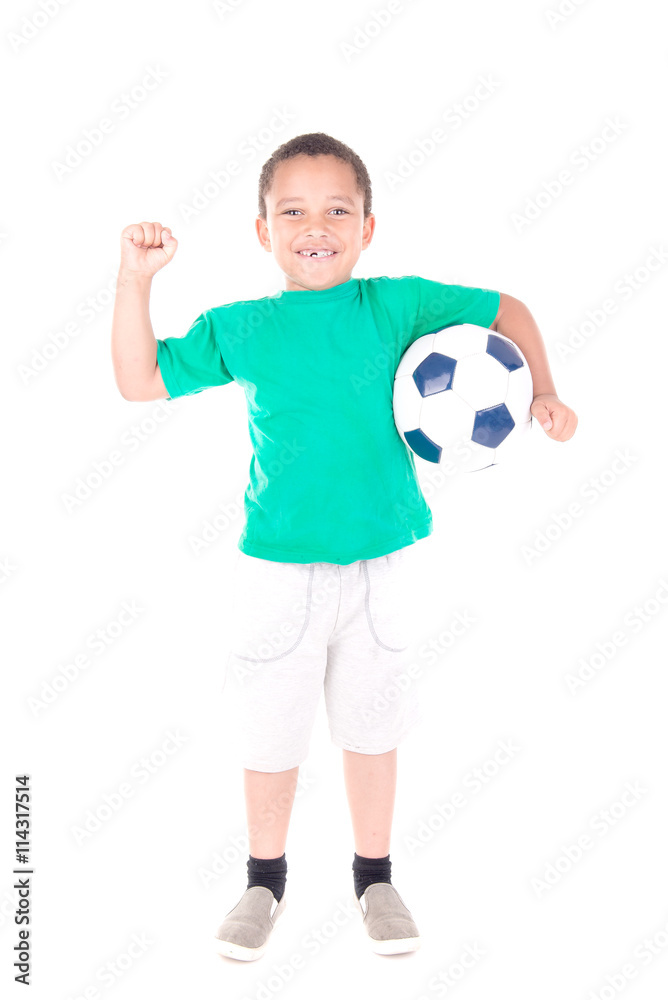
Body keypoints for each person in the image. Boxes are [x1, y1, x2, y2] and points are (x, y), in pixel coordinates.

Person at [110, 131, 578, 962]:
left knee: (372, 724)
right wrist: (136, 281)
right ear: (263, 231)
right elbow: (140, 378)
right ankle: (263, 881)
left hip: (383, 562)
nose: (314, 225)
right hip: (275, 569)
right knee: (271, 730)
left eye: (337, 209)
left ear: (368, 227)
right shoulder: (242, 326)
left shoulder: (394, 305)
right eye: (292, 210)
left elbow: (508, 308)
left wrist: (543, 388)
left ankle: (375, 876)